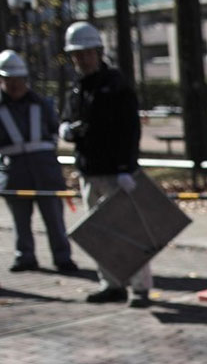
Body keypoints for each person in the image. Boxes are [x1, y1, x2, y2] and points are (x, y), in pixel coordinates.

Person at [60, 21, 152, 308]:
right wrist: (66, 129)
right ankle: (111, 284)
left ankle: (140, 287)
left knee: (127, 231)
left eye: (87, 53)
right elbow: (68, 118)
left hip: (117, 172)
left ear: (98, 52)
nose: (82, 59)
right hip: (89, 171)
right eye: (77, 55)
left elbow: (129, 129)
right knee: (99, 234)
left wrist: (126, 167)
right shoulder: (76, 88)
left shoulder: (116, 85)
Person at [0, 50, 78, 274]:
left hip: (45, 171)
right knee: (20, 220)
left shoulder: (41, 103)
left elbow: (53, 132)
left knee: (54, 218)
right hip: (13, 171)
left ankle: (62, 257)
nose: (14, 85)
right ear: (0, 79)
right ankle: (25, 257)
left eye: (18, 80)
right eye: (8, 80)